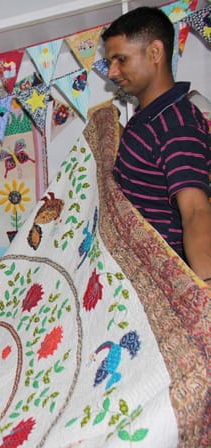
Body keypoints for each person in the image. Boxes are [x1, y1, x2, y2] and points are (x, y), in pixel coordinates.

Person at [102, 6, 211, 283]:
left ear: (155, 52)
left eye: (121, 59)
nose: (112, 72)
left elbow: (195, 210)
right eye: (110, 62)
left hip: (165, 279)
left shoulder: (176, 124)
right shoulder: (150, 119)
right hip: (141, 275)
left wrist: (206, 293)